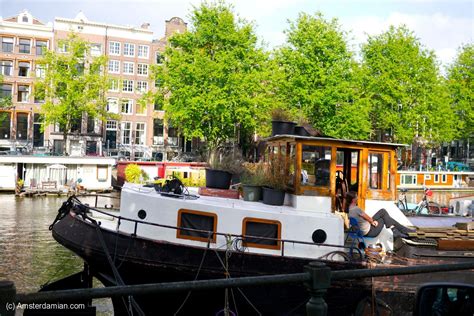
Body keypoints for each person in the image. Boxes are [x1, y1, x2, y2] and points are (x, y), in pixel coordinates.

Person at [346, 191, 414, 238]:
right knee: (383, 215)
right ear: (353, 200)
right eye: (356, 197)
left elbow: (367, 218)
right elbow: (368, 218)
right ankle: (398, 230)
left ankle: (395, 229)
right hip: (370, 232)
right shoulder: (356, 209)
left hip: (361, 230)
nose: (357, 198)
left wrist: (372, 221)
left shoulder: (349, 209)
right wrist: (372, 222)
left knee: (383, 213)